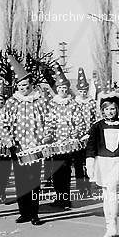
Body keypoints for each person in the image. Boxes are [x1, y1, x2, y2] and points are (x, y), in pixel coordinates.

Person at [4, 55, 52, 225]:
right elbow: (4, 123)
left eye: (26, 85)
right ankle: (23, 212)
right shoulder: (11, 102)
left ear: (31, 85)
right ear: (17, 86)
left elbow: (50, 119)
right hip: (17, 148)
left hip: (35, 147)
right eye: (20, 86)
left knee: (33, 181)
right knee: (20, 180)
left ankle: (34, 214)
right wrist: (7, 138)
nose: (23, 88)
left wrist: (47, 134)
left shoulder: (41, 101)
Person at [85, 88, 119, 237]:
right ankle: (109, 223)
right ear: (103, 111)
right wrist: (89, 162)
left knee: (112, 191)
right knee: (106, 193)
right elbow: (91, 146)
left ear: (117, 109)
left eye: (113, 109)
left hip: (118, 161)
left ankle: (112, 225)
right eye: (107, 109)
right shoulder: (97, 126)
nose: (110, 112)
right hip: (102, 162)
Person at [45, 64, 85, 208]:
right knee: (56, 171)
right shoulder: (52, 104)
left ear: (68, 89)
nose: (62, 90)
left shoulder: (73, 104)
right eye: (60, 88)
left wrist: (76, 132)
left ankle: (66, 199)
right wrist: (48, 136)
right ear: (56, 89)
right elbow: (48, 122)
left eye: (65, 88)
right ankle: (59, 198)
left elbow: (80, 122)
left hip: (68, 144)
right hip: (56, 144)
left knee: (66, 171)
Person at [72, 68, 97, 200]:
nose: (83, 93)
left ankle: (88, 187)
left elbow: (95, 119)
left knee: (89, 163)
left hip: (89, 137)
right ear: (77, 91)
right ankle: (81, 188)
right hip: (76, 138)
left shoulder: (92, 103)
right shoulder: (73, 103)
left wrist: (91, 133)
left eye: (85, 91)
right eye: (80, 91)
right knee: (78, 164)